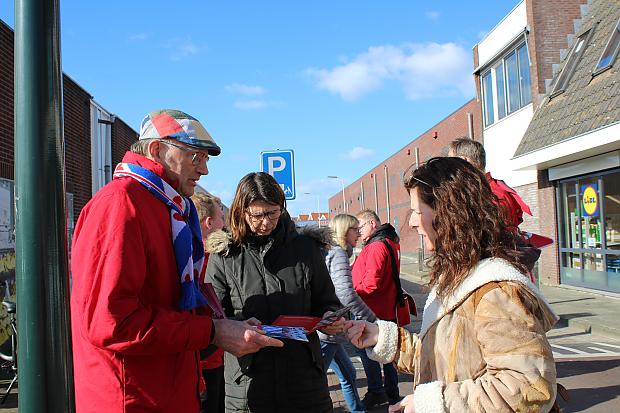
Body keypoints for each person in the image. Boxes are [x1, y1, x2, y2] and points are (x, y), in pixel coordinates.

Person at [70, 109, 283, 413]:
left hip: (165, 389)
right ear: (157, 150)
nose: (204, 170)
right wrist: (212, 332)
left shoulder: (166, 206)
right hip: (133, 397)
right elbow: (111, 323)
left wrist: (222, 325)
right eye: (195, 157)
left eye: (206, 159)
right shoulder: (120, 204)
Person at [346, 157, 558, 413]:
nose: (412, 222)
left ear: (446, 214)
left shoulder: (495, 291)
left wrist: (430, 403)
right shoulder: (459, 277)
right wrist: (381, 337)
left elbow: (528, 388)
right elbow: (445, 361)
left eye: (417, 211)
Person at [205, 172, 343, 413]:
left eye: (272, 213)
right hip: (247, 384)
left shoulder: (305, 248)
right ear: (241, 211)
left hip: (304, 382)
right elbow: (211, 316)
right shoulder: (224, 255)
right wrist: (237, 327)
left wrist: (331, 317)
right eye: (257, 215)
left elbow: (327, 301)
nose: (266, 222)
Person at [320, 214, 377, 413]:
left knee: (348, 373)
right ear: (345, 231)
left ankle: (357, 410)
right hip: (328, 330)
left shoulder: (332, 251)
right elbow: (345, 293)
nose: (359, 234)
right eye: (355, 229)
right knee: (315, 380)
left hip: (331, 330)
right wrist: (370, 317)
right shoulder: (338, 253)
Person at [351, 209, 401, 408]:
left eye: (360, 227)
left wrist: (351, 293)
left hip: (372, 309)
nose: (358, 231)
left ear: (372, 224)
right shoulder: (388, 241)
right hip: (384, 307)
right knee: (388, 351)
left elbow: (371, 284)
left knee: (370, 351)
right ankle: (390, 393)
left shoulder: (376, 246)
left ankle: (379, 392)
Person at [191, 192, 227, 413]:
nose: (225, 223)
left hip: (206, 354)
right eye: (222, 217)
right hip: (209, 357)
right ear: (209, 222)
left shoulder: (186, 256)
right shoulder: (210, 259)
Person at [448, 137, 532, 228]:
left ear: (463, 161)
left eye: (450, 162)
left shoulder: (487, 196)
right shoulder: (494, 189)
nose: (448, 169)